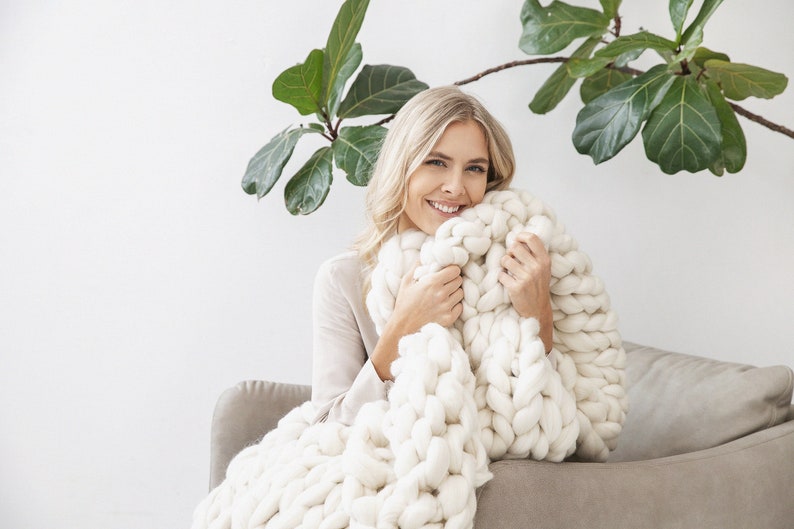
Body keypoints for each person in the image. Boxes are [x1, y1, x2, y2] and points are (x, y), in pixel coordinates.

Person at [311, 86, 553, 424]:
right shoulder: (345, 279)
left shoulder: (521, 263)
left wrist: (538, 314)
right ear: (402, 167)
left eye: (474, 169)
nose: (455, 186)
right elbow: (325, 427)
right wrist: (402, 327)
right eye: (436, 162)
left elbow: (558, 416)